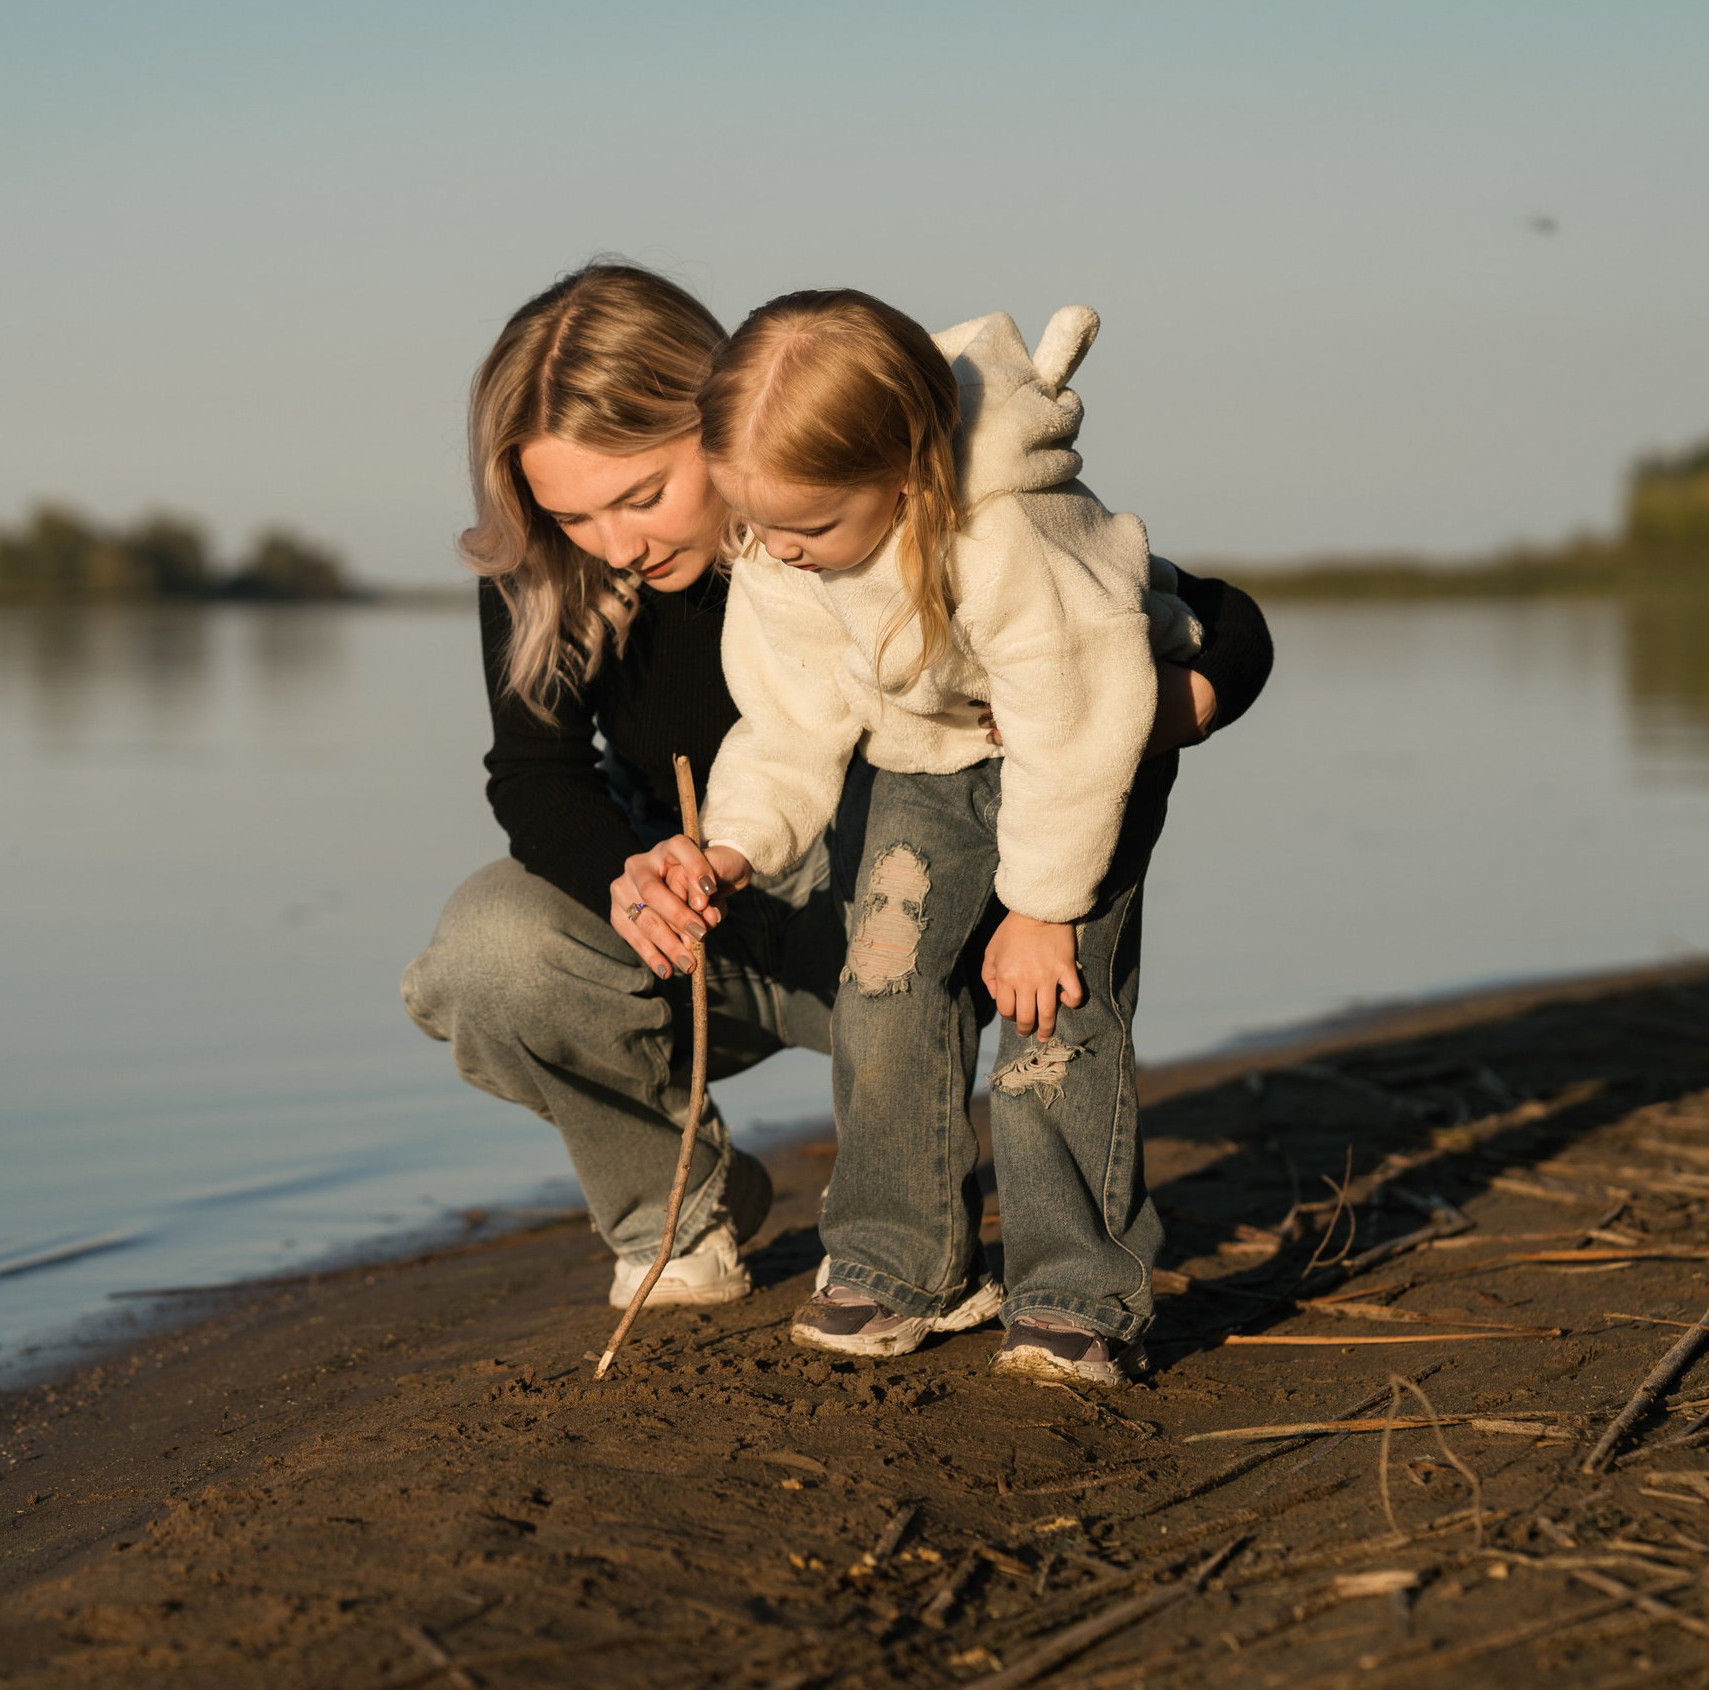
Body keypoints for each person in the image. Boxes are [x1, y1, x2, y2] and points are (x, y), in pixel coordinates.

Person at [402, 262, 1273, 1317]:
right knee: (488, 954)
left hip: (903, 932)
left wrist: (1172, 702)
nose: (617, 546)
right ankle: (675, 1223)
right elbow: (534, 774)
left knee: (972, 943)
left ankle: (1028, 1271)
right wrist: (636, 878)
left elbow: (1202, 614)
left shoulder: (838, 511)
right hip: (717, 923)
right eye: (573, 515)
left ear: (720, 425)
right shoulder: (551, 571)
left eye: (642, 496)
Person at [637, 289, 1192, 1387]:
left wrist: (1040, 906)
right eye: (758, 525)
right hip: (923, 758)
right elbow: (793, 712)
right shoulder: (778, 545)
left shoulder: (1003, 539)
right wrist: (734, 845)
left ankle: (1076, 1292)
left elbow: (1075, 726)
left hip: (1081, 758)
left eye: (809, 529)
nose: (781, 553)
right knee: (885, 985)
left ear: (910, 480)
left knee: (1053, 1013)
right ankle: (903, 1266)